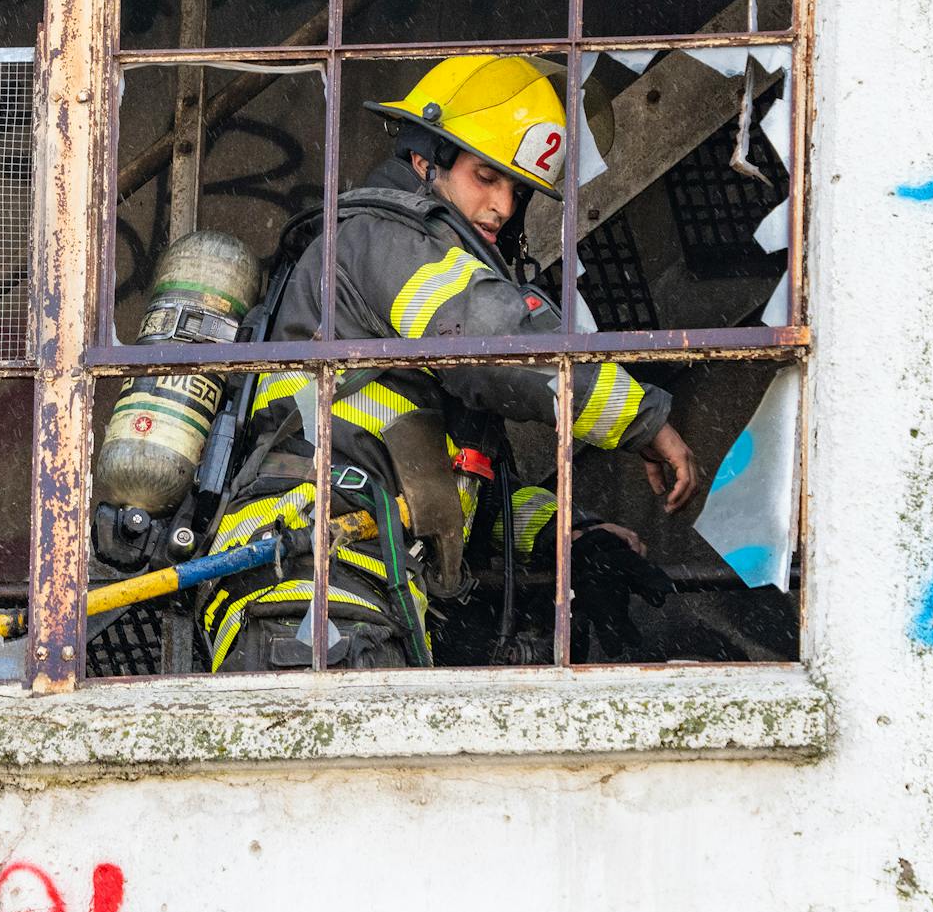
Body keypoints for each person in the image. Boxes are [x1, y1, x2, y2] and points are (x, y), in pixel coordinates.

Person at [199, 55, 703, 671]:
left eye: (516, 191)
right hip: (304, 576)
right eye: (486, 176)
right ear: (424, 159)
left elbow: (456, 498)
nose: (503, 207)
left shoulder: (417, 289)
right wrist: (644, 421)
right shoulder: (386, 240)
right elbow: (499, 346)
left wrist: (567, 533)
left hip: (355, 579)